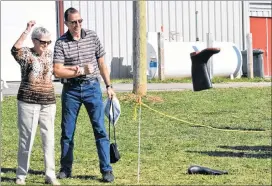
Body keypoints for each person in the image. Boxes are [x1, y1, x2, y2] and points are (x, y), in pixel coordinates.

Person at [53, 7, 116, 182]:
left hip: (92, 88)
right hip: (71, 91)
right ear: (66, 23)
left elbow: (102, 63)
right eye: (73, 22)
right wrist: (79, 71)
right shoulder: (61, 43)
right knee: (67, 132)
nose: (77, 25)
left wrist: (109, 86)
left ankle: (106, 169)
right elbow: (57, 71)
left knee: (100, 130)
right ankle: (65, 169)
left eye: (80, 21)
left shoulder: (92, 37)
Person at [11, 21, 60, 185]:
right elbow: (14, 49)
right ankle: (21, 175)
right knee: (26, 139)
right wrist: (27, 29)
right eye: (42, 42)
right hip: (28, 101)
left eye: (48, 42)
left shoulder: (51, 54)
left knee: (49, 138)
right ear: (34, 40)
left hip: (48, 101)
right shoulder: (26, 54)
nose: (46, 45)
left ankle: (50, 174)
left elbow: (59, 69)